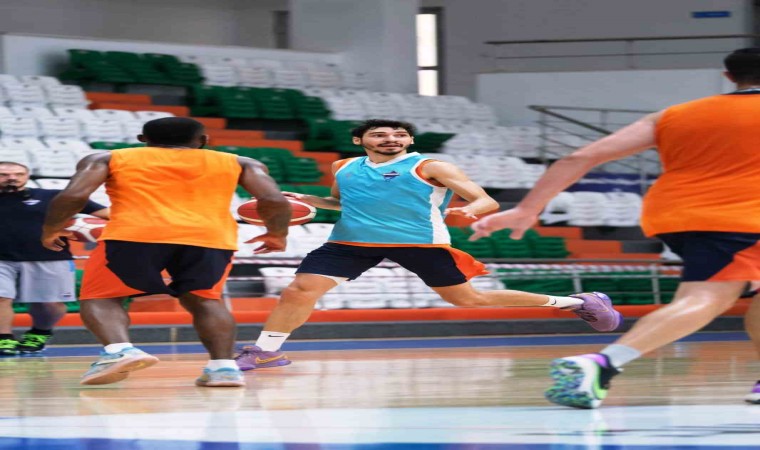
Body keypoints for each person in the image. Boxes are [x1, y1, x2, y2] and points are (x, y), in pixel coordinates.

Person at [470, 48, 760, 409]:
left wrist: (528, 209)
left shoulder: (674, 115)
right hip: (742, 218)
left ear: (729, 77)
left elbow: (580, 157)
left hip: (673, 214)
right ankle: (603, 364)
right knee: (705, 299)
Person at [234, 119, 623, 371]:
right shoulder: (344, 167)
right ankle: (266, 351)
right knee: (298, 290)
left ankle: (576, 302)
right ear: (359, 140)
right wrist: (305, 200)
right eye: (380, 134)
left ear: (409, 141)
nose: (391, 139)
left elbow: (485, 200)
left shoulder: (431, 167)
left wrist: (471, 209)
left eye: (399, 135)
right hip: (351, 241)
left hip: (419, 242)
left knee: (469, 300)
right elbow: (341, 203)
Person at [41, 117, 292, 387]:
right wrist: (276, 234)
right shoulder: (241, 162)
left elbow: (73, 196)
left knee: (101, 298)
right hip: (209, 238)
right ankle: (223, 368)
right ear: (203, 141)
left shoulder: (107, 158)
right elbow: (273, 199)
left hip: (135, 234)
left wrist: (51, 229)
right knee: (206, 301)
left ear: (142, 140)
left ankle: (119, 351)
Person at [0, 161, 109, 357]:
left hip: (50, 256)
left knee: (50, 304)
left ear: (27, 176)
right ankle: (3, 338)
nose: (12, 178)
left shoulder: (53, 197)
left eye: (18, 174)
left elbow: (106, 213)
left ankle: (39, 333)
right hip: (2, 260)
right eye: (4, 175)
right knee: (1, 298)